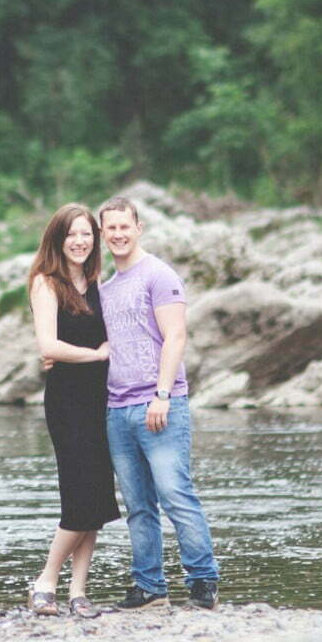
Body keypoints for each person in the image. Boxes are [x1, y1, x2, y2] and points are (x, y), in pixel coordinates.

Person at [96, 196, 220, 610]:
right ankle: (149, 586)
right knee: (137, 506)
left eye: (124, 226)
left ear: (139, 227)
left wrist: (162, 395)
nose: (117, 234)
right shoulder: (106, 287)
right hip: (117, 410)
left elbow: (177, 336)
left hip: (160, 405)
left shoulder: (159, 275)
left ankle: (203, 581)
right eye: (110, 228)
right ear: (102, 233)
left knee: (175, 495)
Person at [26, 203, 122, 619]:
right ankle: (46, 580)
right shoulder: (46, 284)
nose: (80, 242)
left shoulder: (100, 284)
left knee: (98, 495)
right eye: (72, 235)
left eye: (87, 234)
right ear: (57, 240)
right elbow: (48, 346)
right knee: (78, 493)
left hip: (104, 399)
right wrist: (96, 355)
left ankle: (79, 591)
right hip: (67, 401)